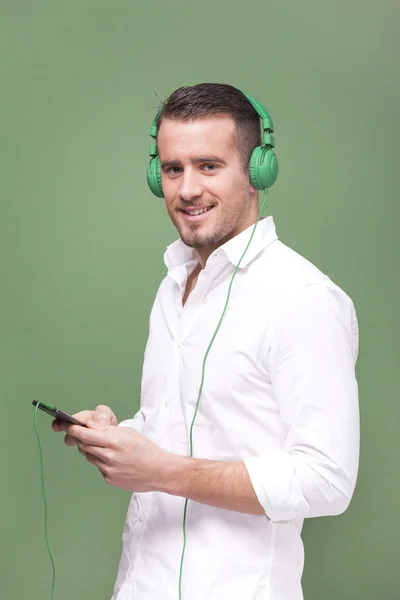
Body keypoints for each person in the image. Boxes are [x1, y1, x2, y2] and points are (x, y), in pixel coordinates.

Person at [53, 83, 360, 600]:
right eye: (173, 169)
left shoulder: (303, 299)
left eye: (209, 166)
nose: (187, 189)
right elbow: (184, 423)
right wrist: (119, 434)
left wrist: (163, 472)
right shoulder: (174, 284)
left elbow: (327, 480)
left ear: (257, 170)